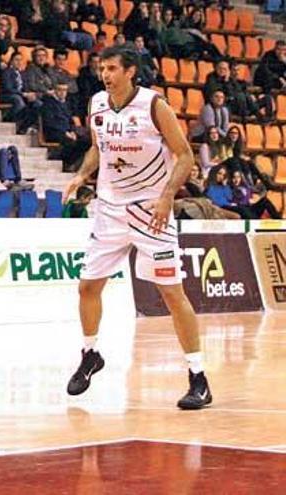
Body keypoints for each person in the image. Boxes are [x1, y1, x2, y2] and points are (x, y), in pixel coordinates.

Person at [62, 45, 212, 411]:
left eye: (112, 68)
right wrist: (82, 174)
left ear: (130, 71)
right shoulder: (97, 103)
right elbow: (98, 149)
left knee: (171, 294)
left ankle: (198, 377)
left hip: (151, 212)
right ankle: (90, 354)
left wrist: (166, 197)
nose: (105, 74)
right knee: (87, 287)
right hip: (109, 210)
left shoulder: (153, 105)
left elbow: (186, 155)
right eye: (102, 68)